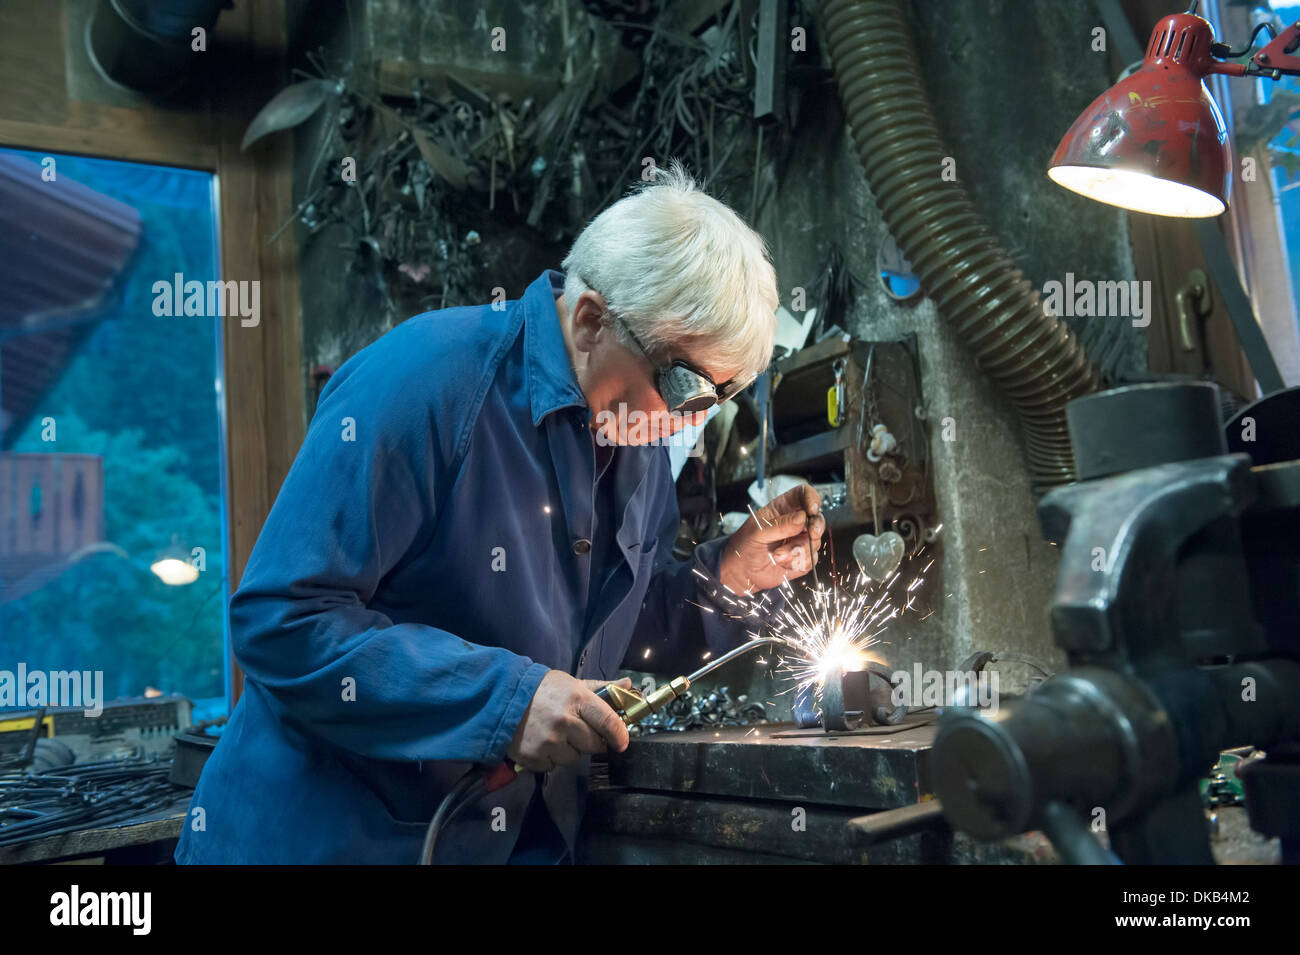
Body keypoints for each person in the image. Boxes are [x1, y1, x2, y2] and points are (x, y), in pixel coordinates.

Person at [175, 161, 825, 864]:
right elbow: (281, 620)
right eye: (683, 386)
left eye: (715, 399)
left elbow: (603, 640)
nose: (683, 423)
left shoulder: (635, 441)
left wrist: (725, 575)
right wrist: (505, 701)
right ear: (590, 320)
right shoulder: (427, 382)